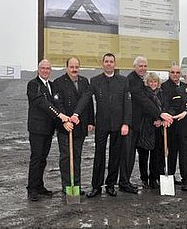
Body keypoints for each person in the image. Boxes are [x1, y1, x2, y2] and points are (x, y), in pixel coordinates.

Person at [73, 53, 132, 198]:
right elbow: (86, 98)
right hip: (102, 124)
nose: (109, 64)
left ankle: (111, 185)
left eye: (111, 62)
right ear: (102, 64)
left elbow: (128, 103)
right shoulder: (95, 81)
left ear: (115, 64)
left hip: (119, 125)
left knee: (115, 155)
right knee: (99, 155)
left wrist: (126, 123)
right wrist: (76, 114)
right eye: (106, 61)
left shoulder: (123, 81)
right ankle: (96, 186)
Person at [120, 56, 173, 192]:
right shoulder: (132, 81)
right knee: (128, 155)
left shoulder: (140, 81)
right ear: (134, 67)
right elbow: (144, 101)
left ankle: (126, 181)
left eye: (145, 66)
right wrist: (160, 114)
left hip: (141, 124)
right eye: (140, 66)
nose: (143, 68)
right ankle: (124, 183)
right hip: (132, 124)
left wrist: (160, 117)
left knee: (132, 155)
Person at [26, 59, 70, 201]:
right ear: (38, 69)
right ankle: (32, 188)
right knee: (36, 158)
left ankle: (39, 186)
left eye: (48, 68)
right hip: (37, 129)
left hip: (48, 129)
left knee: (43, 159)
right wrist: (59, 114)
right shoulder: (33, 84)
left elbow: (57, 102)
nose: (45, 71)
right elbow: (41, 103)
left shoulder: (51, 85)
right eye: (43, 68)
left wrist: (66, 119)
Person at [53, 57, 94, 195]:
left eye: (76, 67)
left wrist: (90, 121)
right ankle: (66, 186)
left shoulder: (84, 81)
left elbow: (88, 103)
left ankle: (76, 185)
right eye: (72, 67)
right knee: (66, 157)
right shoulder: (58, 82)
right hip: (65, 127)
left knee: (77, 156)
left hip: (80, 126)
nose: (74, 69)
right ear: (66, 68)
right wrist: (64, 121)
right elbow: (58, 104)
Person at [139, 72, 165, 189]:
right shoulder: (144, 94)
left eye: (155, 81)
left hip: (158, 128)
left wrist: (160, 120)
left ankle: (153, 178)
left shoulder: (162, 94)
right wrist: (155, 118)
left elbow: (165, 107)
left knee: (156, 154)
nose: (153, 84)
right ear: (147, 83)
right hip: (145, 127)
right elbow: (145, 109)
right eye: (151, 82)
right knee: (143, 154)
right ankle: (144, 178)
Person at [161, 65, 187, 184]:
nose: (175, 74)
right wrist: (167, 116)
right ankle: (166, 174)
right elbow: (165, 104)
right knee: (167, 150)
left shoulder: (184, 86)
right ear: (169, 73)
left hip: (181, 125)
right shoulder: (164, 86)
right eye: (173, 72)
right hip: (168, 122)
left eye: (177, 72)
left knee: (178, 151)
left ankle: (174, 174)